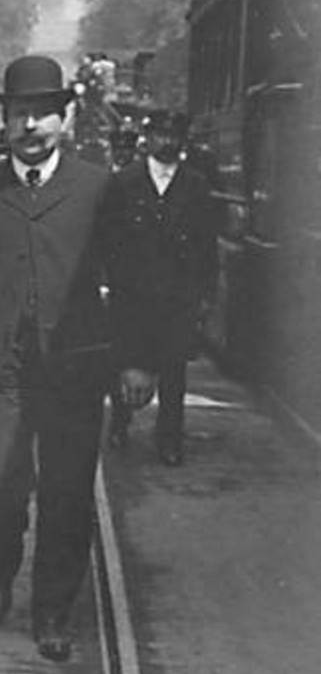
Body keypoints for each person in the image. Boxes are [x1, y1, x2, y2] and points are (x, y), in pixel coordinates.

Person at [0, 55, 132, 664]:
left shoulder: (98, 187)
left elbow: (128, 279)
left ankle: (52, 610)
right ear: (6, 119)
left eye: (44, 114)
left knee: (68, 495)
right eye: (21, 114)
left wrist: (134, 359)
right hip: (3, 366)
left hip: (74, 364)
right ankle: (2, 561)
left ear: (66, 117)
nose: (31, 126)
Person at [105, 109, 217, 465]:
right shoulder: (124, 182)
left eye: (174, 136)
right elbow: (109, 240)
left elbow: (206, 245)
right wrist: (107, 285)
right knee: (124, 363)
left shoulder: (196, 186)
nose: (166, 142)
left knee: (173, 372)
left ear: (182, 141)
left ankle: (169, 438)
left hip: (176, 297)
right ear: (148, 138)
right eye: (160, 135)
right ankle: (120, 423)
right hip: (131, 295)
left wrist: (205, 296)